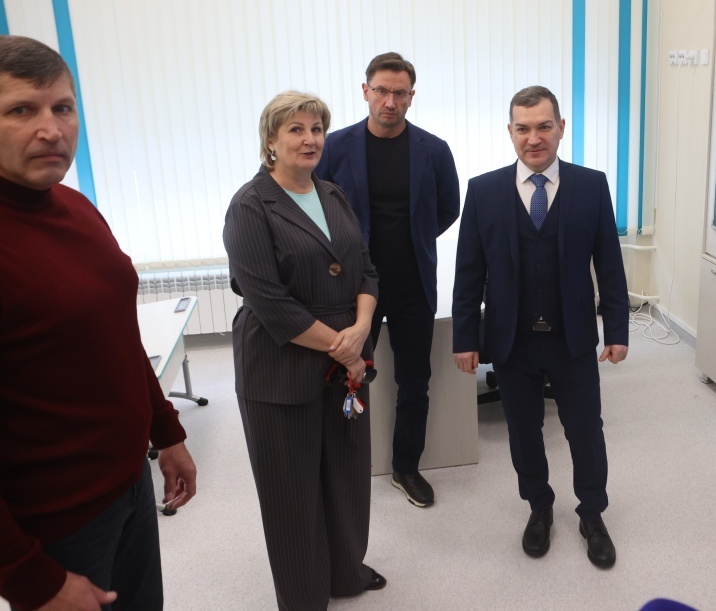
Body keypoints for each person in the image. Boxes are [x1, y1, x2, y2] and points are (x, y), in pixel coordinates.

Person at [0, 35, 197, 610]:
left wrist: (166, 432)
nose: (51, 129)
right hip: (56, 525)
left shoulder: (76, 207)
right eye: (21, 110)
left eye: (63, 107)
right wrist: (28, 578)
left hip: (128, 485)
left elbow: (118, 340)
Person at [452, 85, 629, 569]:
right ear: (510, 132)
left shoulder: (591, 186)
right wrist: (465, 337)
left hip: (573, 339)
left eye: (544, 126)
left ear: (561, 128)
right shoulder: (483, 191)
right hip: (512, 341)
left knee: (585, 430)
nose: (534, 138)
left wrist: (617, 330)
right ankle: (539, 507)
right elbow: (468, 273)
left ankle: (591, 514)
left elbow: (609, 265)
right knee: (524, 432)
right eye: (523, 128)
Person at [223, 90, 385, 609]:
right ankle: (304, 596)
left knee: (346, 476)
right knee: (291, 491)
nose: (310, 139)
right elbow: (270, 302)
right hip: (280, 365)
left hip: (345, 358)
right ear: (271, 141)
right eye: (296, 129)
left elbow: (365, 270)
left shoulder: (332, 194)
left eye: (317, 129)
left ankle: (345, 572)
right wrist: (346, 349)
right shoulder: (250, 206)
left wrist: (361, 327)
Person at [315, 52, 460, 508]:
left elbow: (448, 208)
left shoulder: (434, 150)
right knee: (345, 375)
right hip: (352, 287)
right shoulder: (334, 147)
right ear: (365, 91)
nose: (390, 102)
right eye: (381, 91)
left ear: (411, 97)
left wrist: (413, 239)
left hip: (413, 284)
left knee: (415, 381)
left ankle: (405, 467)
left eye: (400, 93)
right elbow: (313, 210)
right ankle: (343, 468)